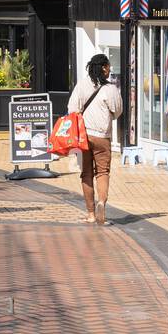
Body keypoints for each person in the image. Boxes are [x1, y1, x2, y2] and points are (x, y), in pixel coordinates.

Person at [67, 54, 123, 225]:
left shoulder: (82, 85)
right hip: (102, 137)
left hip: (83, 136)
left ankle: (90, 214)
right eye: (108, 67)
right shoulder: (110, 89)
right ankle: (101, 203)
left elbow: (72, 109)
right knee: (102, 172)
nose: (109, 70)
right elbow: (117, 111)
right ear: (103, 67)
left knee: (86, 174)